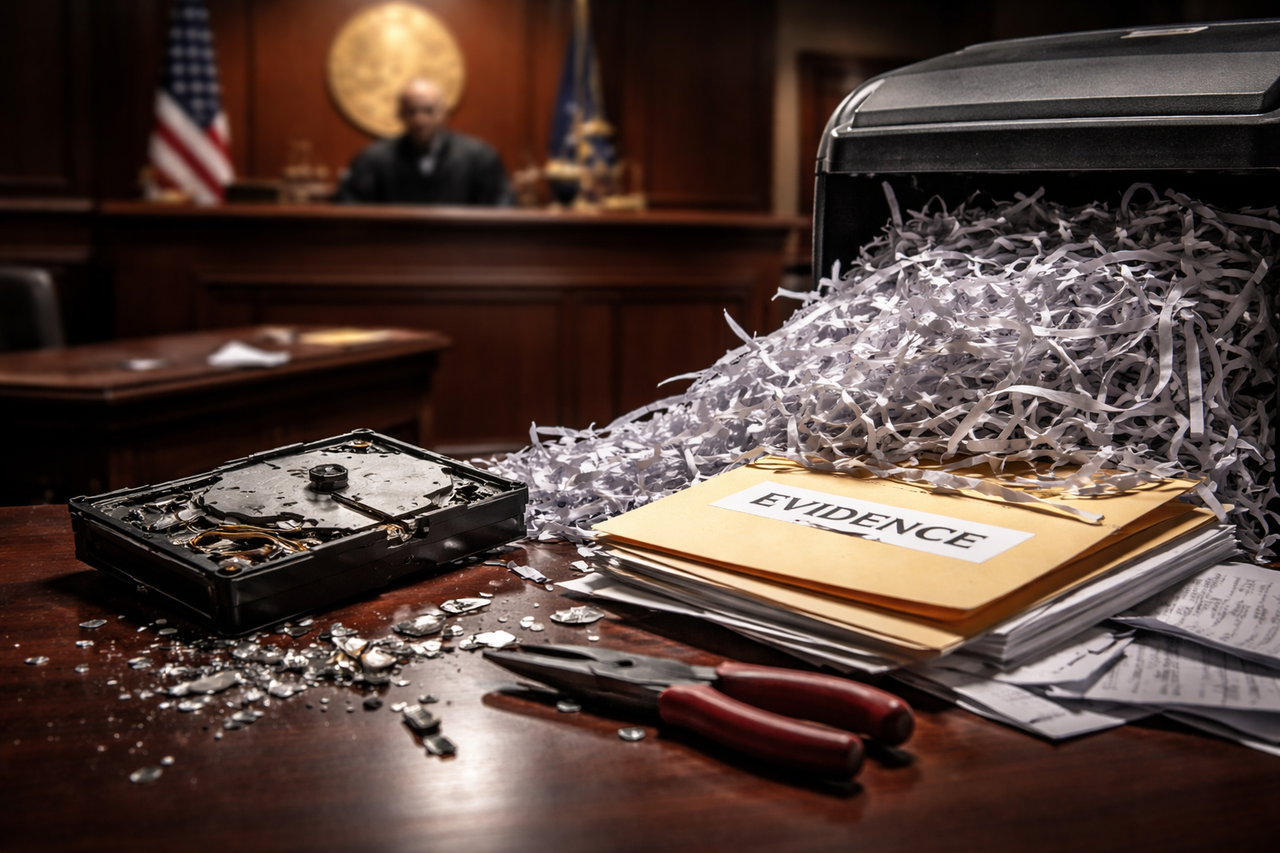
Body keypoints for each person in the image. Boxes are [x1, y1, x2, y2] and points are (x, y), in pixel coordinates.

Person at [336, 78, 513, 205]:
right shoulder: (372, 160)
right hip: (393, 253)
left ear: (444, 113)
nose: (420, 120)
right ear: (400, 114)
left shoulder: (480, 157)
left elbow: (502, 207)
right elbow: (348, 207)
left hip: (461, 253)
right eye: (411, 111)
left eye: (428, 111)